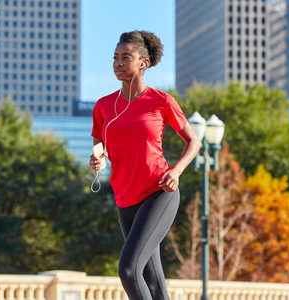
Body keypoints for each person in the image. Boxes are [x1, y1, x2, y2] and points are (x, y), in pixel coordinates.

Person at [90, 30, 200, 300]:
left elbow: (193, 141)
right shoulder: (104, 106)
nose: (118, 62)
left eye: (126, 57)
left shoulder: (161, 101)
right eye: (115, 57)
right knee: (153, 281)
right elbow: (99, 146)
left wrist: (176, 171)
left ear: (143, 63)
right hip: (125, 198)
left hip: (158, 191)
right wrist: (97, 158)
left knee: (128, 270)